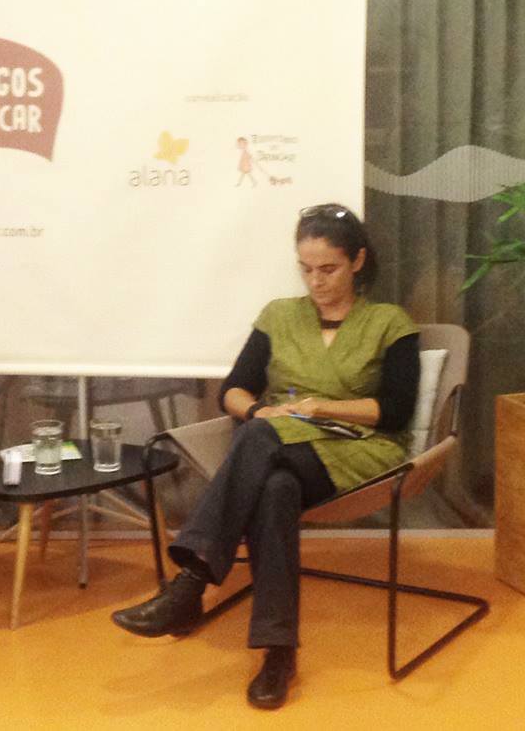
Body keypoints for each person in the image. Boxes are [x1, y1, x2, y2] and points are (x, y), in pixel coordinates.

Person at [111, 203, 420, 710]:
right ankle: (278, 652)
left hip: (360, 450)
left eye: (329, 268)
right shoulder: (279, 315)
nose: (316, 281)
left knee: (258, 440)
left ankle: (190, 584)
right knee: (274, 485)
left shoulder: (390, 322)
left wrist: (321, 407)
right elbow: (232, 391)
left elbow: (396, 411)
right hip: (282, 444)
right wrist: (260, 411)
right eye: (306, 269)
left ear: (358, 261)